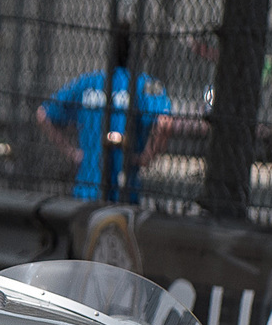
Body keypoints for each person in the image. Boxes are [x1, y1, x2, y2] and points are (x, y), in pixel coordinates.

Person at [36, 23, 173, 202]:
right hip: (124, 188)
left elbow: (43, 114)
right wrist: (147, 156)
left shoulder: (90, 82)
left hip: (87, 188)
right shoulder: (144, 85)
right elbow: (165, 123)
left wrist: (72, 153)